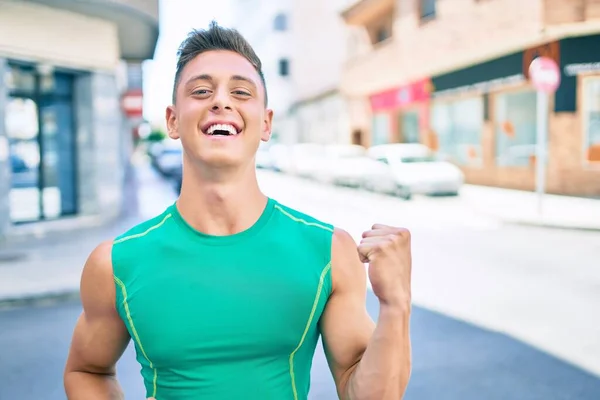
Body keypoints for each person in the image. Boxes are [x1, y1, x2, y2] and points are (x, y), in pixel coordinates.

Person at [63, 21, 412, 400]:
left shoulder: (328, 252)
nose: (221, 101)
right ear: (172, 121)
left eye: (241, 92)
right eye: (201, 90)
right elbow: (87, 371)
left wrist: (396, 305)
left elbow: (367, 393)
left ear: (265, 123)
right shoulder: (116, 263)